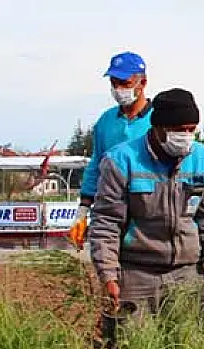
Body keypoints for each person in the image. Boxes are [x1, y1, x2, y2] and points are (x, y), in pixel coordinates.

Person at [88, 88, 204, 326]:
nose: (186, 136)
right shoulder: (121, 161)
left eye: (191, 129)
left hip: (187, 275)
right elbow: (106, 223)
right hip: (135, 275)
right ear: (158, 128)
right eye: (179, 130)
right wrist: (108, 275)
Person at [67, 51, 154, 250]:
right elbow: (96, 165)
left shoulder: (158, 122)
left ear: (142, 83)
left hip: (148, 213)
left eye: (125, 83)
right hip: (110, 210)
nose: (118, 89)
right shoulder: (105, 122)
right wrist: (83, 209)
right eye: (114, 83)